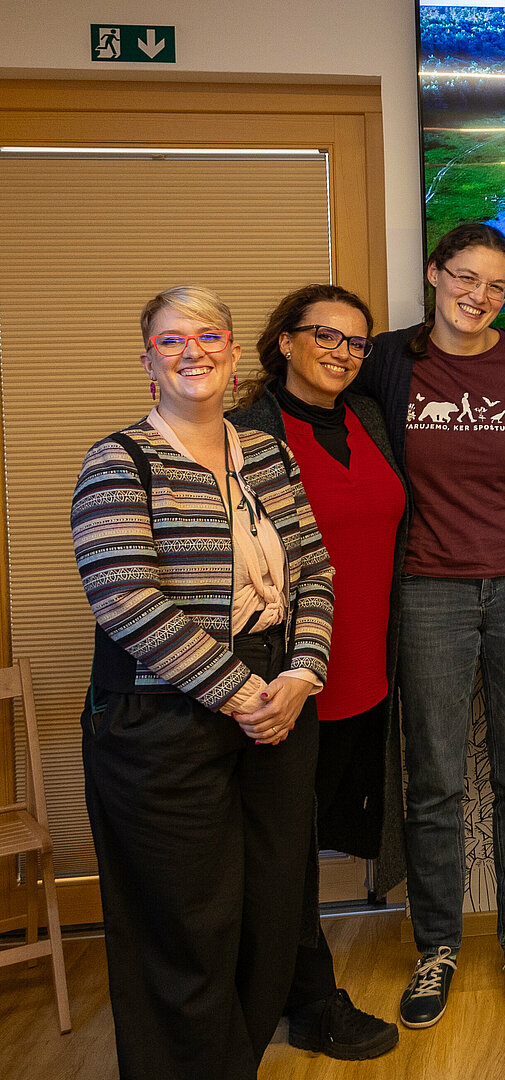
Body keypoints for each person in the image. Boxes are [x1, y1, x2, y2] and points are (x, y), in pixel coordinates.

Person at [72, 286, 334, 1079]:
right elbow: (124, 597)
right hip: (159, 716)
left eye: (209, 335)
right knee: (186, 925)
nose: (194, 352)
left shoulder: (266, 450)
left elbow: (314, 567)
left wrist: (302, 672)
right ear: (147, 359)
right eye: (171, 340)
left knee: (266, 910)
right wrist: (240, 692)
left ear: (230, 348)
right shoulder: (118, 460)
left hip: (277, 701)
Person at [356, 223, 505, 1025]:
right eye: (464, 277)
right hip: (427, 591)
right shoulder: (388, 361)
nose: (477, 296)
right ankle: (437, 948)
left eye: (495, 285)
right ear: (434, 273)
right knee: (436, 781)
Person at [229, 285, 406, 1058]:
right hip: (290, 678)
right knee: (283, 851)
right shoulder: (243, 433)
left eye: (356, 342)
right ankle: (308, 1002)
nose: (342, 352)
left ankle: (273, 987)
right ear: (284, 342)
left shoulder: (366, 418)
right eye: (324, 336)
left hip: (367, 670)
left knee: (312, 841)